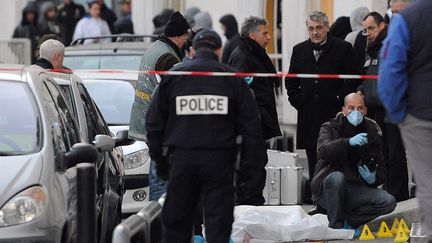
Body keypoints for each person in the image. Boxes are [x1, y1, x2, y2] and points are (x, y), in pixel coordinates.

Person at [145, 29, 264, 243]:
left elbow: (154, 124)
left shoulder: (174, 78)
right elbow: (251, 129)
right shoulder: (232, 80)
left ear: (191, 50)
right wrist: (248, 171)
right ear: (219, 50)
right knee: (218, 224)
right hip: (220, 162)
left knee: (178, 224)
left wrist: (160, 162)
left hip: (182, 160)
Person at [285, 11, 360, 203]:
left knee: (336, 156)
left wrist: (339, 100)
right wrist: (300, 102)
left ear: (327, 27)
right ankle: (318, 199)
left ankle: (337, 198)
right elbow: (291, 81)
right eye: (311, 28)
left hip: (334, 115)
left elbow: (352, 79)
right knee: (313, 157)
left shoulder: (343, 48)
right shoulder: (299, 50)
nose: (315, 32)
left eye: (319, 28)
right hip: (308, 115)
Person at [378, 0, 432, 236]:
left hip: (421, 115)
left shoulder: (409, 19)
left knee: (428, 182)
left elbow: (390, 71)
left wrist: (400, 114)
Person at [129, 11, 191, 201]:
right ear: (178, 36)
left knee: (158, 172)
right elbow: (174, 92)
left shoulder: (157, 48)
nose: (187, 42)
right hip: (158, 122)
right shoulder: (167, 57)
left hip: (146, 117)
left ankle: (157, 214)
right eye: (187, 37)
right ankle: (158, 218)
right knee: (160, 175)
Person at [310, 93, 396, 230]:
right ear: (344, 110)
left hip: (355, 189)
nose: (356, 112)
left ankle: (348, 220)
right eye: (351, 108)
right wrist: (348, 142)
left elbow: (382, 169)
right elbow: (323, 151)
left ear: (366, 111)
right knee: (337, 177)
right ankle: (336, 227)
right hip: (329, 187)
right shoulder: (330, 127)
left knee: (388, 202)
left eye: (360, 108)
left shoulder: (372, 131)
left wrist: (373, 178)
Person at [228, 16, 281, 205]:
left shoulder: (256, 53)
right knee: (252, 166)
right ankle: (249, 204)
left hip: (257, 120)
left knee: (258, 163)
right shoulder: (243, 55)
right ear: (252, 35)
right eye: (265, 33)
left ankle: (253, 202)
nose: (269, 37)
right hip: (249, 124)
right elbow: (236, 92)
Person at [357, 12, 409, 202]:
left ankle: (399, 194)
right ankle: (388, 190)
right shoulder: (370, 49)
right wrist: (361, 91)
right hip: (376, 110)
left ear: (381, 26)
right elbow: (367, 78)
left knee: (395, 154)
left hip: (392, 109)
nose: (368, 33)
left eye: (370, 28)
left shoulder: (390, 46)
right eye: (365, 30)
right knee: (383, 154)